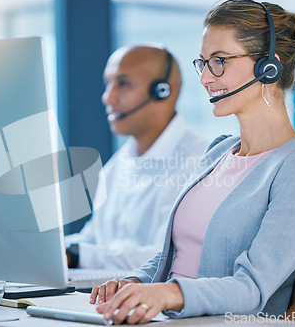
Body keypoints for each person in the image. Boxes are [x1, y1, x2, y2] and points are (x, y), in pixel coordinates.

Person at [90, 0, 295, 325]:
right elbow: (173, 255)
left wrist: (168, 294)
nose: (205, 77)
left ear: (269, 66)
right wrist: (134, 283)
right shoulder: (218, 152)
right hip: (165, 317)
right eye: (204, 62)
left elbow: (252, 287)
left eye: (219, 61)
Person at [64, 45, 209, 270]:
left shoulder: (198, 164)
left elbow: (168, 257)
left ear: (163, 91)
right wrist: (56, 250)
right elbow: (93, 239)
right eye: (108, 83)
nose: (107, 97)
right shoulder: (117, 164)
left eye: (123, 84)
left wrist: (76, 256)